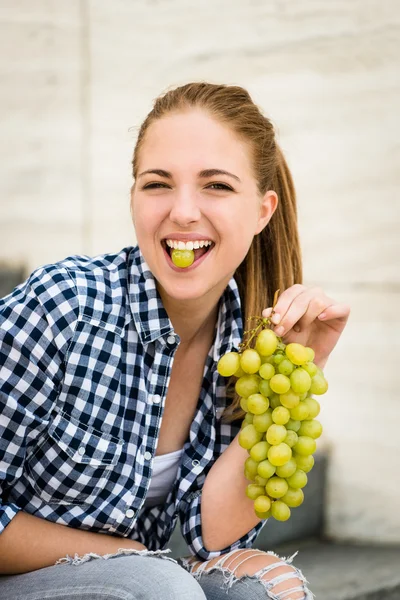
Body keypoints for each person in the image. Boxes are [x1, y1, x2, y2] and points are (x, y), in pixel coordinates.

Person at [0, 82, 350, 599]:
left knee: (269, 589)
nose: (183, 212)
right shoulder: (64, 309)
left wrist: (305, 366)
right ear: (135, 197)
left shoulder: (246, 344)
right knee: (163, 586)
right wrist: (134, 557)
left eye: (216, 186)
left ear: (262, 210)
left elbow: (214, 535)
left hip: (129, 581)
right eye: (158, 184)